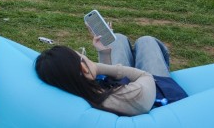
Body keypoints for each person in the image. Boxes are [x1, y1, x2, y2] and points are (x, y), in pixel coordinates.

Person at [36, 20, 185, 116]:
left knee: (117, 38)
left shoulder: (82, 89)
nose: (85, 56)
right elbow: (145, 77)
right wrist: (98, 67)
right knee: (146, 41)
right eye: (82, 55)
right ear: (83, 68)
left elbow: (104, 81)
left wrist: (103, 52)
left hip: (122, 85)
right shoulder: (130, 96)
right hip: (155, 90)